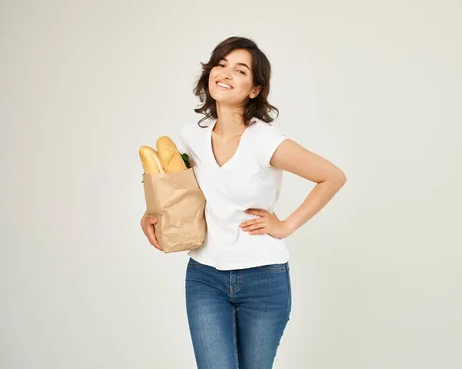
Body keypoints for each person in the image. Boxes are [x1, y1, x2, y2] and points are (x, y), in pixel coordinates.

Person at [140, 36, 346, 368]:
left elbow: (332, 176)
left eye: (240, 70)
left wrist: (286, 225)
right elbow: (182, 191)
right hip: (205, 277)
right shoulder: (191, 135)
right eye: (220, 64)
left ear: (254, 89)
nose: (225, 73)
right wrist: (152, 213)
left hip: (263, 279)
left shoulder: (265, 141)